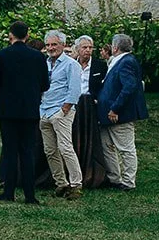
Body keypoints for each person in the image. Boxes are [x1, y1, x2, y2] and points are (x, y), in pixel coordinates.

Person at [0, 19, 50, 203]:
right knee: (27, 151)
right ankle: (30, 194)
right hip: (30, 110)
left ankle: (9, 191)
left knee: (10, 150)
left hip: (7, 109)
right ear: (27, 35)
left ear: (10, 35)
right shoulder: (38, 57)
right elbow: (45, 84)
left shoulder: (1, 55)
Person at [98, 32, 149, 191]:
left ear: (115, 47)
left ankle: (128, 181)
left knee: (125, 148)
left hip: (119, 114)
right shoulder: (119, 61)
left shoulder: (126, 62)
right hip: (107, 114)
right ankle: (114, 177)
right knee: (107, 146)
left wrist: (115, 108)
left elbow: (129, 87)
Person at [39, 30, 84, 200]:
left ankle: (76, 184)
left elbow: (74, 89)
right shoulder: (45, 63)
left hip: (60, 111)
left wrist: (64, 109)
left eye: (54, 44)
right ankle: (61, 183)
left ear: (63, 45)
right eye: (48, 45)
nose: (51, 48)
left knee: (65, 148)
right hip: (44, 110)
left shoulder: (71, 64)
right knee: (50, 150)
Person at [72, 34, 109, 188]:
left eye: (90, 48)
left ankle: (91, 171)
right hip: (74, 103)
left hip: (90, 105)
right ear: (78, 49)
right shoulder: (72, 64)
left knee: (91, 138)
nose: (87, 51)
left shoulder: (100, 66)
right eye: (84, 47)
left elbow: (105, 87)